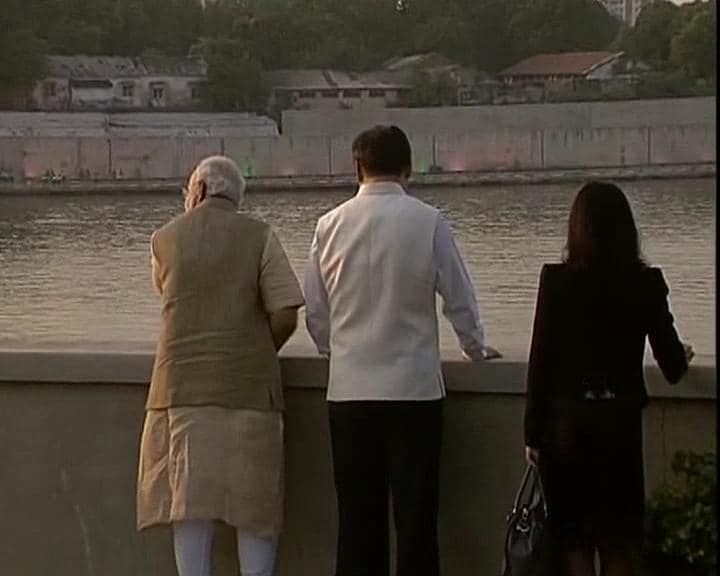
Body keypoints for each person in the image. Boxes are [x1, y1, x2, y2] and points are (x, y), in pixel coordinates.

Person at [304, 125, 498, 576]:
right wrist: (474, 348)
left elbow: (316, 312)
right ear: (408, 168)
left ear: (357, 168)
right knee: (415, 521)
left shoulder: (328, 226)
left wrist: (338, 352)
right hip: (414, 392)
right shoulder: (428, 222)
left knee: (357, 522)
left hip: (349, 392)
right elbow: (459, 300)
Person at [136, 156, 304, 576]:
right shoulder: (261, 236)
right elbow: (285, 311)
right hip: (250, 393)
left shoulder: (164, 239)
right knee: (255, 509)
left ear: (196, 192)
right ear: (237, 196)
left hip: (179, 391)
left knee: (188, 507)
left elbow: (168, 294)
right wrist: (259, 348)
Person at [523, 181, 694, 576]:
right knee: (619, 540)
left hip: (565, 429)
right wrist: (681, 353)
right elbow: (671, 367)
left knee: (574, 542)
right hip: (618, 428)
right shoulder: (644, 282)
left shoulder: (556, 281)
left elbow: (540, 363)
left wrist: (532, 433)